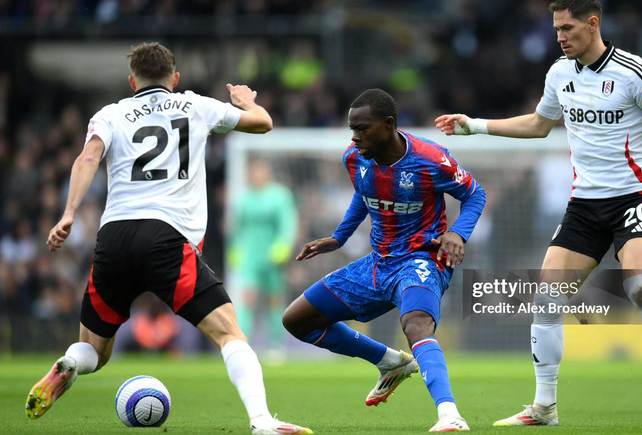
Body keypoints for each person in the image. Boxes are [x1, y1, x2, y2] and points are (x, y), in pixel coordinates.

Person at [435, 0, 642, 428]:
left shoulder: (633, 73)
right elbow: (540, 125)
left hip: (633, 199)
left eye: (566, 27)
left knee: (637, 287)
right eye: (556, 28)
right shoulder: (559, 73)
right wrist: (477, 124)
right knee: (546, 297)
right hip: (584, 205)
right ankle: (544, 406)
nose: (559, 36)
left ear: (592, 23)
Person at [25, 42, 311, 435]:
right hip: (166, 237)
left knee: (94, 349)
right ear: (175, 78)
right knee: (229, 333)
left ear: (131, 81)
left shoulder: (111, 113)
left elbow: (88, 158)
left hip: (114, 237)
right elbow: (263, 123)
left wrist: (70, 213)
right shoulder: (195, 104)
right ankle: (262, 422)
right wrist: (246, 101)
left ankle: (70, 364)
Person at [283, 88, 486, 432]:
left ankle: (449, 414)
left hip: (422, 258)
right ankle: (390, 362)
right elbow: (365, 194)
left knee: (416, 324)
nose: (355, 136)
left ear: (388, 125)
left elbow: (475, 194)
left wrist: (457, 234)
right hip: (378, 264)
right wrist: (339, 237)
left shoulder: (431, 159)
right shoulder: (354, 157)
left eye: (362, 128)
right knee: (297, 320)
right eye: (352, 129)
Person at [231, 157, 297, 360]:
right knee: (247, 299)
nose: (255, 175)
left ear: (267, 172)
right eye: (253, 171)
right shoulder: (244, 199)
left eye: (259, 170)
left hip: (272, 257)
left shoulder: (279, 196)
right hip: (250, 256)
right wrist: (235, 249)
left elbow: (288, 224)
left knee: (274, 301)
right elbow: (238, 228)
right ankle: (240, 346)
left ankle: (276, 346)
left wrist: (283, 246)